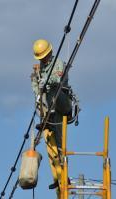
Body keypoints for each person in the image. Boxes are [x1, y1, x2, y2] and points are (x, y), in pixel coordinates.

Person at [30, 39, 73, 190]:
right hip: (50, 108)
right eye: (40, 58)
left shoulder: (57, 63)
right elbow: (37, 87)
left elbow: (57, 79)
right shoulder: (40, 68)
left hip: (61, 103)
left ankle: (65, 174)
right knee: (50, 140)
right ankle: (58, 176)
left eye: (44, 56)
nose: (43, 60)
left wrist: (46, 82)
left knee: (60, 143)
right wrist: (37, 87)